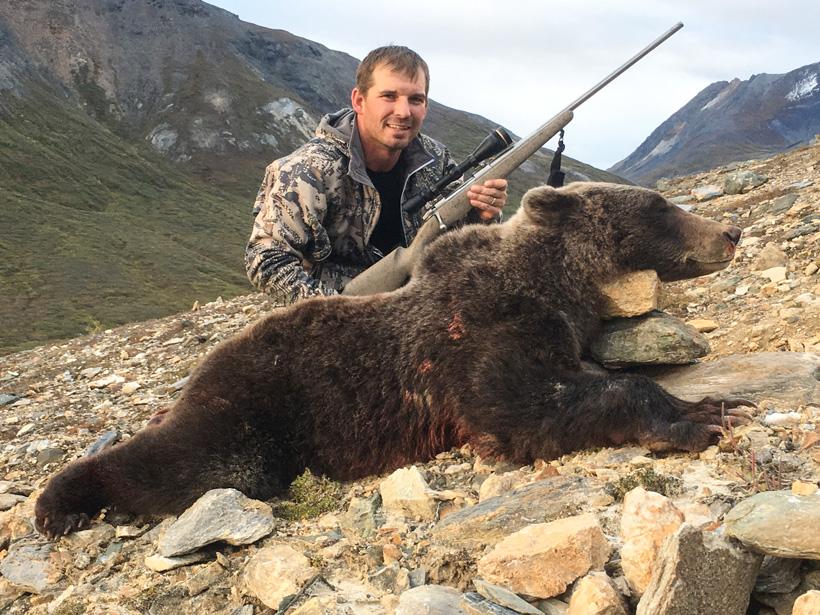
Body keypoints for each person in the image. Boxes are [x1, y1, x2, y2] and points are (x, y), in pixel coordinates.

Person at [245, 45, 508, 305]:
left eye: (415, 99)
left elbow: (457, 247)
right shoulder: (305, 171)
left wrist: (482, 217)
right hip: (337, 321)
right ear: (359, 100)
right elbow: (267, 262)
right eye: (389, 96)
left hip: (418, 306)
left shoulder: (436, 160)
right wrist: (339, 314)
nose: (403, 112)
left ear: (426, 106)